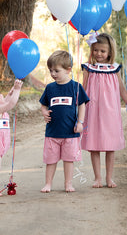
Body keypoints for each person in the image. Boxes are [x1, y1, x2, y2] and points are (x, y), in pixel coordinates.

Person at [81, 32, 127, 188]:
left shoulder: (114, 68)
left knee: (110, 146)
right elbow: (83, 89)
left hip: (110, 112)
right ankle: (97, 178)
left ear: (110, 52)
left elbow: (122, 89)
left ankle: (109, 178)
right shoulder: (88, 68)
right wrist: (77, 107)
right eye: (96, 50)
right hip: (92, 111)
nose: (99, 54)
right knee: (94, 145)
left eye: (102, 51)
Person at [40, 50, 89, 193]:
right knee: (51, 160)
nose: (53, 74)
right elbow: (43, 103)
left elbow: (82, 105)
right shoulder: (50, 88)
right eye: (51, 70)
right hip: (52, 133)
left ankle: (68, 184)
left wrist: (80, 122)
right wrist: (44, 112)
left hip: (70, 132)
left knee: (69, 160)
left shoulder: (76, 87)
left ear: (68, 70)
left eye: (56, 70)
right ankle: (48, 184)